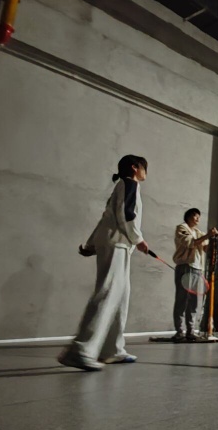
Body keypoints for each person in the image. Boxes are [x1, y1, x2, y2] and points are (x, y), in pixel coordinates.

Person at [60, 155, 150, 371]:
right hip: (117, 244)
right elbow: (126, 214)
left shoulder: (122, 186)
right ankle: (80, 351)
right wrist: (139, 239)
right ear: (135, 167)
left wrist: (91, 244)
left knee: (120, 298)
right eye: (144, 168)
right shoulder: (129, 184)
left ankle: (112, 350)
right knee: (108, 294)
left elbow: (106, 217)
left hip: (117, 244)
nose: (146, 173)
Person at [170, 208, 218, 343]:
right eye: (195, 216)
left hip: (198, 270)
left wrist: (213, 239)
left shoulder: (198, 232)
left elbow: (206, 248)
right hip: (185, 267)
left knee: (194, 302)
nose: (198, 219)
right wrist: (208, 235)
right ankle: (179, 331)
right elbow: (190, 243)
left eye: (199, 217)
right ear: (188, 217)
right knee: (182, 300)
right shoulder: (181, 228)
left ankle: (191, 331)